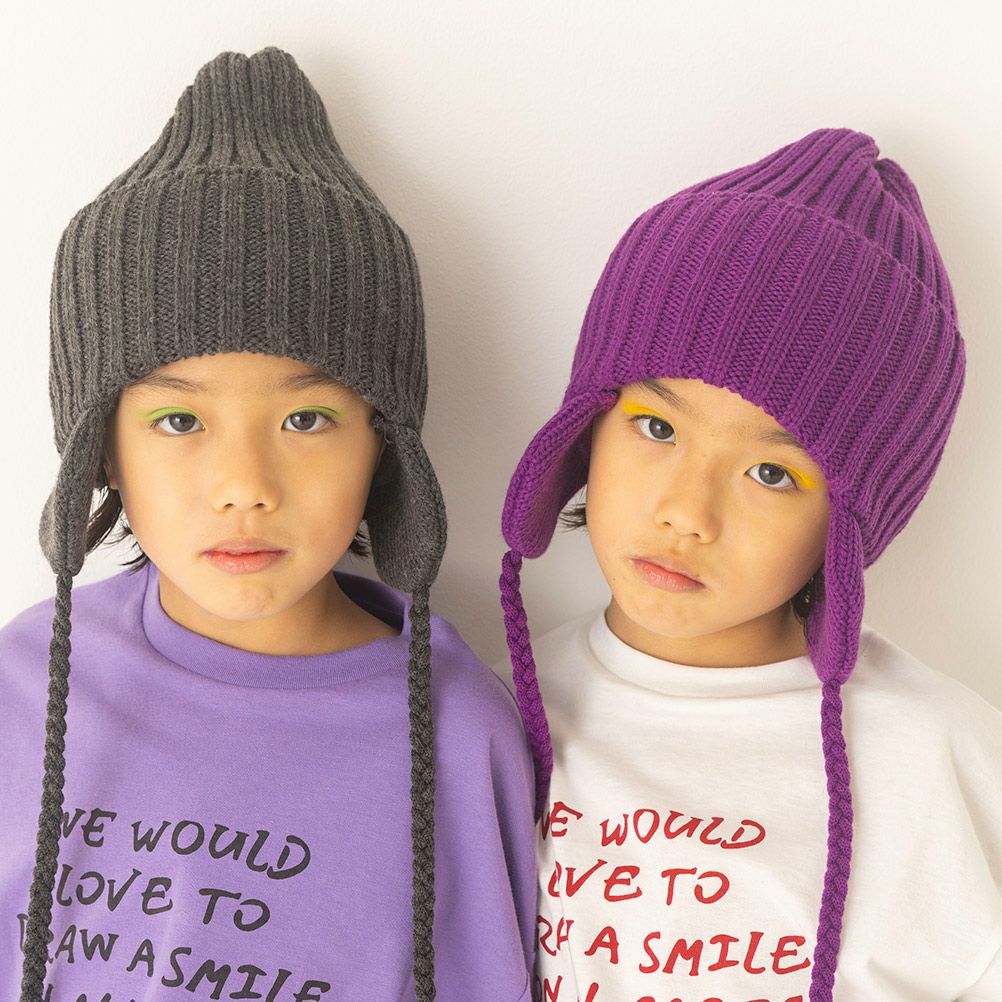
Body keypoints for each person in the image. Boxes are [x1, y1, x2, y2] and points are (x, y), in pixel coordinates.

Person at [1, 47, 535, 1002]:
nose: (244, 488)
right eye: (179, 421)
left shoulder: (459, 734)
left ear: (384, 443)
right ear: (101, 448)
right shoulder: (22, 683)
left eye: (307, 419)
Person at [495, 127, 1002, 1001]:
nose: (687, 513)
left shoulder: (937, 761)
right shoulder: (497, 713)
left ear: (847, 520)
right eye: (657, 428)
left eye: (772, 474)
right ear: (586, 428)